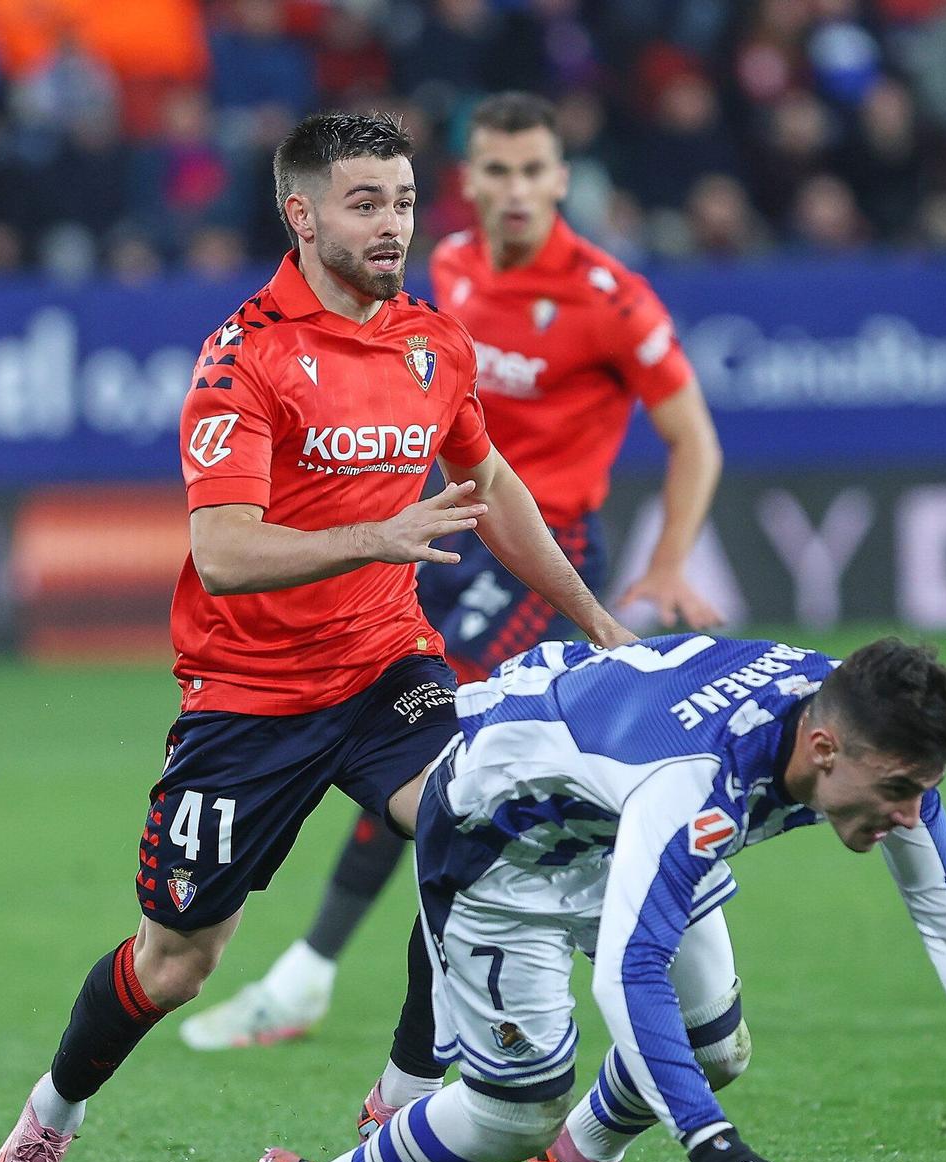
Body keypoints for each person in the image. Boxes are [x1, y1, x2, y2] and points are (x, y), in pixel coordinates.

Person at [0, 111, 632, 1162]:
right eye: (365, 203)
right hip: (249, 699)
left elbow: (496, 492)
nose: (392, 225)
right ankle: (47, 1117)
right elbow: (224, 554)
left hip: (387, 664)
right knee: (178, 958)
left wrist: (595, 620)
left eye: (405, 201)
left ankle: (403, 1104)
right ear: (302, 213)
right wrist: (375, 536)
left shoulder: (433, 342)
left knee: (471, 825)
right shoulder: (246, 358)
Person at [181, 91, 726, 1054]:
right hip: (424, 533)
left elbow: (693, 439)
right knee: (427, 762)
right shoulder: (444, 281)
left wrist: (661, 568)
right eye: (496, 172)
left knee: (440, 764)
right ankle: (371, 1007)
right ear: (468, 183)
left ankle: (335, 991)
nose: (515, 191)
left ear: (563, 178)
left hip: (527, 554)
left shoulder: (610, 297)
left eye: (534, 171)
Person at [244, 635, 946, 1162]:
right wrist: (712, 1143)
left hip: (612, 817)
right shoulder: (693, 780)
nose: (909, 814)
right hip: (499, 845)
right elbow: (632, 974)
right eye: (898, 792)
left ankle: (587, 1157)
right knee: (514, 1111)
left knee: (716, 1045)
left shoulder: (856, 719)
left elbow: (942, 893)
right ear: (822, 750)